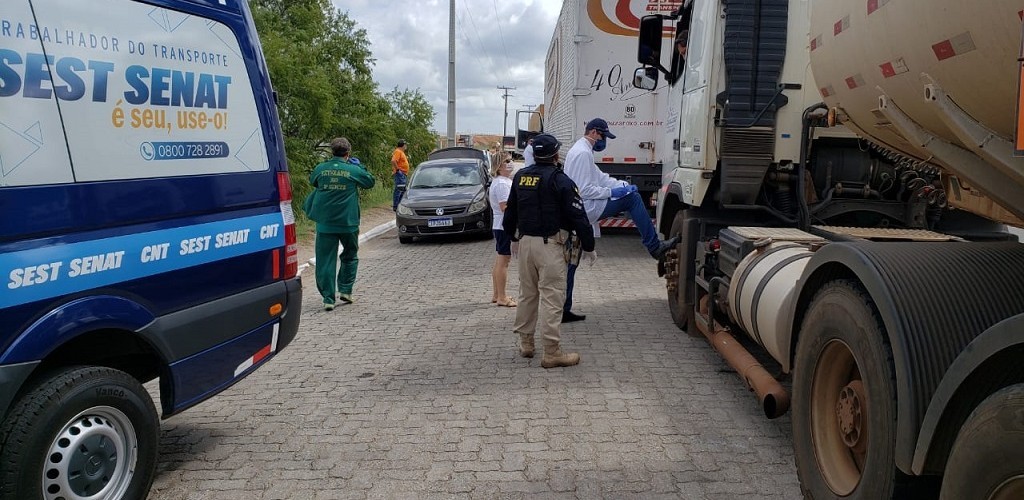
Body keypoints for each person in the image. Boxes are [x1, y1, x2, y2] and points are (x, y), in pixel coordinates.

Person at [560, 118, 679, 322]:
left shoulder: (583, 151)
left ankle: (564, 309)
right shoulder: (582, 154)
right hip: (586, 208)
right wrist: (614, 192)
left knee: (572, 261)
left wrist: (621, 184)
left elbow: (599, 177)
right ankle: (654, 247)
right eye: (604, 136)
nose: (604, 141)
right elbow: (585, 189)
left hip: (581, 210)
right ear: (595, 133)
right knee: (632, 200)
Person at [503, 133, 596, 368]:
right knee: (553, 297)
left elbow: (510, 213)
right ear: (556, 155)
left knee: (527, 294)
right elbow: (578, 216)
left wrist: (512, 237)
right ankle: (552, 352)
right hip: (550, 247)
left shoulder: (521, 177)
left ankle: (526, 344)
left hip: (525, 245)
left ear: (534, 154)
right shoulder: (561, 180)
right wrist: (589, 245)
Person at [309, 137, 376, 311]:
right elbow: (369, 182)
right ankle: (346, 289)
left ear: (332, 151)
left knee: (325, 260)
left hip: (325, 224)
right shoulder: (353, 169)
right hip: (348, 223)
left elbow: (313, 181)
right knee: (350, 255)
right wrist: (358, 166)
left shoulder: (321, 168)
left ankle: (328, 298)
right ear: (348, 153)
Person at [489, 155, 517, 308]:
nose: (510, 163)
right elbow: (504, 207)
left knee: (500, 260)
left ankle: (496, 294)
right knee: (504, 261)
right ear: (499, 166)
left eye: (511, 160)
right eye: (507, 161)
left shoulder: (505, 182)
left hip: (500, 225)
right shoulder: (501, 184)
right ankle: (502, 296)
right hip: (503, 226)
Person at [391, 139, 410, 211]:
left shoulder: (401, 152)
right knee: (399, 189)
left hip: (403, 174)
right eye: (405, 145)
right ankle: (396, 206)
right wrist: (398, 170)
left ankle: (399, 205)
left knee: (402, 190)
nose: (406, 146)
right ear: (403, 145)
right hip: (400, 174)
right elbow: (393, 160)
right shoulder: (398, 151)